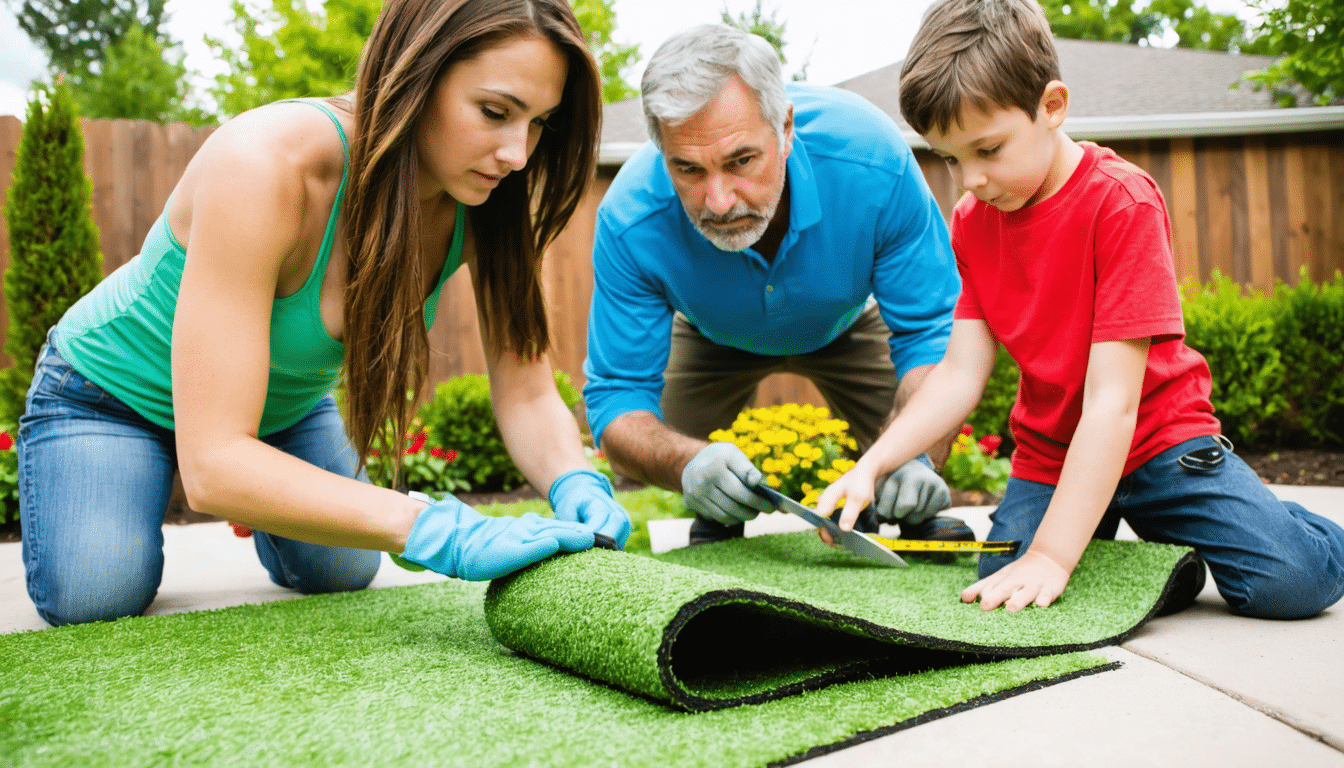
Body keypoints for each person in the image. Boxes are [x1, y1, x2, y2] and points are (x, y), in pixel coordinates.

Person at [17, 0, 631, 628]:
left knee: (340, 571)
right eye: (495, 112)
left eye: (538, 124)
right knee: (100, 593)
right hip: (107, 393)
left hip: (278, 410)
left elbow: (526, 389)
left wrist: (575, 483)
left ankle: (263, 492)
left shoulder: (485, 196)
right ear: (415, 72)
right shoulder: (264, 165)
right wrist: (432, 527)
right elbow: (214, 463)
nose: (517, 154)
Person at [816, 0, 1344, 618]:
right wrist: (874, 466)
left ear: (1052, 107)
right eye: (951, 158)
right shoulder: (973, 222)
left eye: (988, 150)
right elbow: (959, 373)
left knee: (1289, 586)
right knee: (1003, 574)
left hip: (1157, 444)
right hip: (1053, 453)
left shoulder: (1121, 203)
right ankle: (1158, 561)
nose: (970, 181)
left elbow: (1112, 405)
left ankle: (1276, 524)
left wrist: (1055, 555)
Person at [583, 24, 971, 546]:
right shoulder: (630, 219)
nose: (719, 201)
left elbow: (933, 334)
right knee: (670, 443)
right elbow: (618, 397)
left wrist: (915, 451)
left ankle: (905, 493)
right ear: (661, 151)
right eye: (688, 169)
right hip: (708, 337)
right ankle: (717, 503)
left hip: (849, 321)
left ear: (785, 128)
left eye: (741, 160)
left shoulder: (874, 163)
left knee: (916, 441)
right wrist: (686, 464)